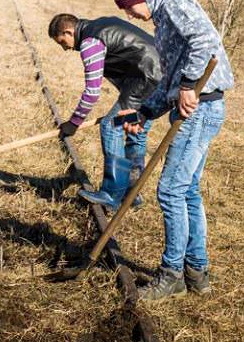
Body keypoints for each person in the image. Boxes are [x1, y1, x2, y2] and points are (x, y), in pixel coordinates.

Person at [113, 0, 234, 301]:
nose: (129, 13)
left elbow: (206, 40)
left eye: (128, 5)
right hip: (199, 107)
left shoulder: (176, 4)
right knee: (187, 191)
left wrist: (189, 85)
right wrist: (146, 112)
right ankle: (197, 272)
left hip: (201, 107)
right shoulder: (163, 22)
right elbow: (169, 81)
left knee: (169, 191)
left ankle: (171, 276)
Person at [47, 13, 162, 212]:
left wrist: (74, 123)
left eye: (62, 42)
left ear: (68, 31)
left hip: (146, 78)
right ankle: (131, 193)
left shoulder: (90, 42)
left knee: (111, 126)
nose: (65, 48)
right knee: (137, 131)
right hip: (160, 76)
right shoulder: (99, 25)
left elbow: (92, 92)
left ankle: (111, 193)